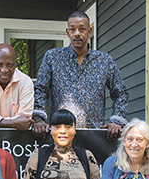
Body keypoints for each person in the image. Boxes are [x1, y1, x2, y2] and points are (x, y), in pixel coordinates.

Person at [31, 11, 128, 141]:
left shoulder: (104, 60)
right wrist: (39, 119)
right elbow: (41, 90)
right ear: (67, 32)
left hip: (94, 137)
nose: (77, 33)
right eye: (73, 29)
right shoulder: (52, 57)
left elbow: (120, 92)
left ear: (89, 31)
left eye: (82, 29)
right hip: (61, 135)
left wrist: (117, 120)